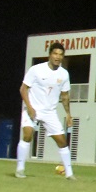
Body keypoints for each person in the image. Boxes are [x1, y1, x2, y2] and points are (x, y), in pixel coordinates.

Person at [16, 42, 75, 179]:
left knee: (62, 141)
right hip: (32, 109)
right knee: (28, 134)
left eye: (60, 55)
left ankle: (69, 174)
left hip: (50, 112)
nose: (57, 57)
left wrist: (68, 114)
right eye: (55, 54)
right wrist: (29, 108)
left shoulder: (64, 74)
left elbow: (65, 96)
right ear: (49, 55)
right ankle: (20, 169)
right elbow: (23, 89)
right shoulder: (36, 70)